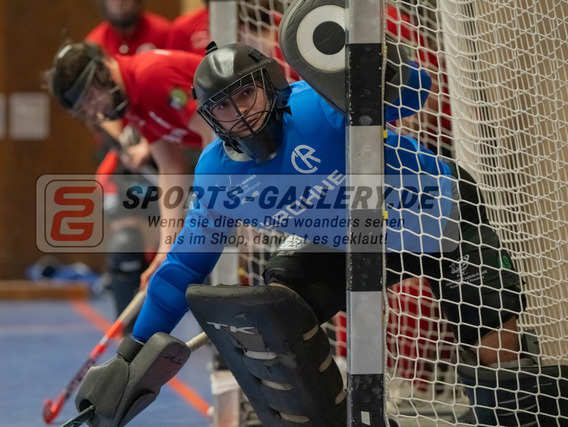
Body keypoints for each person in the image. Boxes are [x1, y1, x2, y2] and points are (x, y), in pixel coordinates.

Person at [73, 43, 564, 427]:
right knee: (277, 306)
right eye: (223, 106)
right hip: (348, 233)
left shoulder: (320, 105)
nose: (239, 111)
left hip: (431, 211)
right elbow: (184, 266)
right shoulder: (218, 175)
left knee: (494, 344)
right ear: (208, 117)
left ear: (269, 85)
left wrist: (389, 68)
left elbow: (417, 93)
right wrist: (130, 357)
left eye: (245, 93)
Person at [46, 42, 212, 295]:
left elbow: (214, 132)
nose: (94, 110)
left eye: (90, 97)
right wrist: (166, 247)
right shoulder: (132, 101)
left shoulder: (149, 77)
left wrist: (209, 207)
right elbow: (170, 166)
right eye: (84, 107)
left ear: (103, 70)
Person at [80, 0, 171, 317]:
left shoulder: (163, 32)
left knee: (181, 240)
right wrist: (128, 143)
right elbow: (96, 106)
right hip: (121, 150)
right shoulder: (95, 43)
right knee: (126, 243)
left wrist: (152, 141)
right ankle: (128, 334)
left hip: (168, 139)